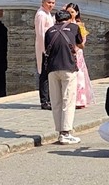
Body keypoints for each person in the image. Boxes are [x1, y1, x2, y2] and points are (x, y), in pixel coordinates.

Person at [44, 9, 84, 144]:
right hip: (68, 66)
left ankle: (60, 131)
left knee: (56, 101)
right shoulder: (74, 27)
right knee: (68, 100)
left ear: (56, 20)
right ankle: (66, 132)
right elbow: (80, 44)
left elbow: (47, 49)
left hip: (52, 69)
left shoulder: (49, 31)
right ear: (68, 19)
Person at [64, 3, 95, 108]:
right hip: (68, 52)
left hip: (77, 52)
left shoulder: (80, 25)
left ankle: (80, 99)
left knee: (80, 75)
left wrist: (75, 48)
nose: (70, 14)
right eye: (68, 12)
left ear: (76, 13)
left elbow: (83, 40)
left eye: (72, 12)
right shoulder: (64, 24)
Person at [35, 0, 56, 110]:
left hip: (48, 48)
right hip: (44, 49)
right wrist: (46, 50)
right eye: (49, 2)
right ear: (43, 2)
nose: (51, 5)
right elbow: (41, 34)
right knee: (44, 75)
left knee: (48, 75)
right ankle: (44, 101)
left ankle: (48, 98)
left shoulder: (47, 14)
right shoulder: (41, 15)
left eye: (53, 3)